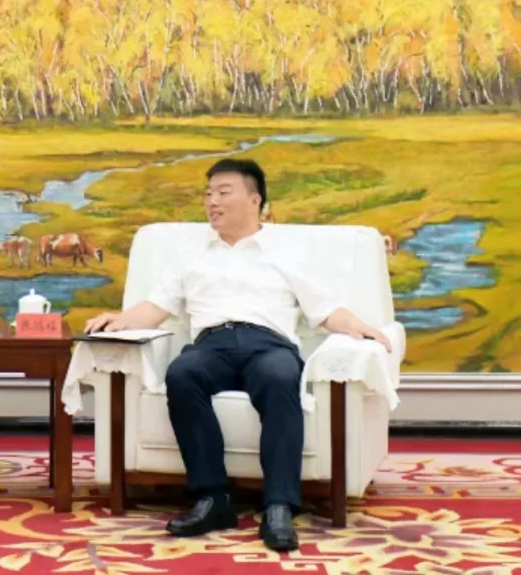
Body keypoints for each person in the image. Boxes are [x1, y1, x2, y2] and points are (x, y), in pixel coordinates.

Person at [84, 158, 391, 552]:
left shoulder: (286, 253)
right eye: (208, 194)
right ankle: (212, 499)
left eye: (223, 192)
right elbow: (156, 307)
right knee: (182, 374)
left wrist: (361, 327)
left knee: (280, 378)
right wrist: (119, 319)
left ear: (254, 199)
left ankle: (279, 506)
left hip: (269, 345)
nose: (212, 201)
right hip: (211, 345)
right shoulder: (192, 254)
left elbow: (325, 309)